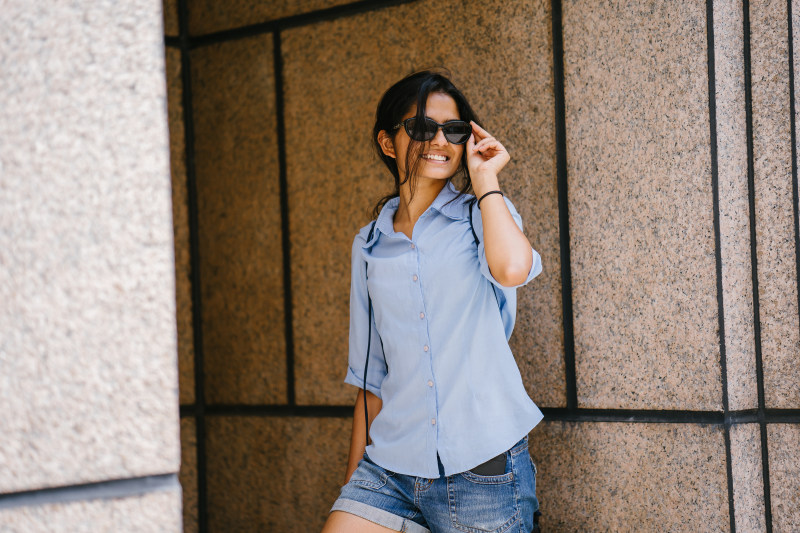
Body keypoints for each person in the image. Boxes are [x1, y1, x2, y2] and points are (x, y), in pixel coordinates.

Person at [322, 70, 543, 533]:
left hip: (482, 465)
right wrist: (352, 486)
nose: (440, 139)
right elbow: (370, 378)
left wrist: (486, 181)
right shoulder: (369, 244)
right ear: (388, 142)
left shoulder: (481, 212)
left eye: (454, 130)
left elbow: (513, 270)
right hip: (390, 467)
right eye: (422, 128)